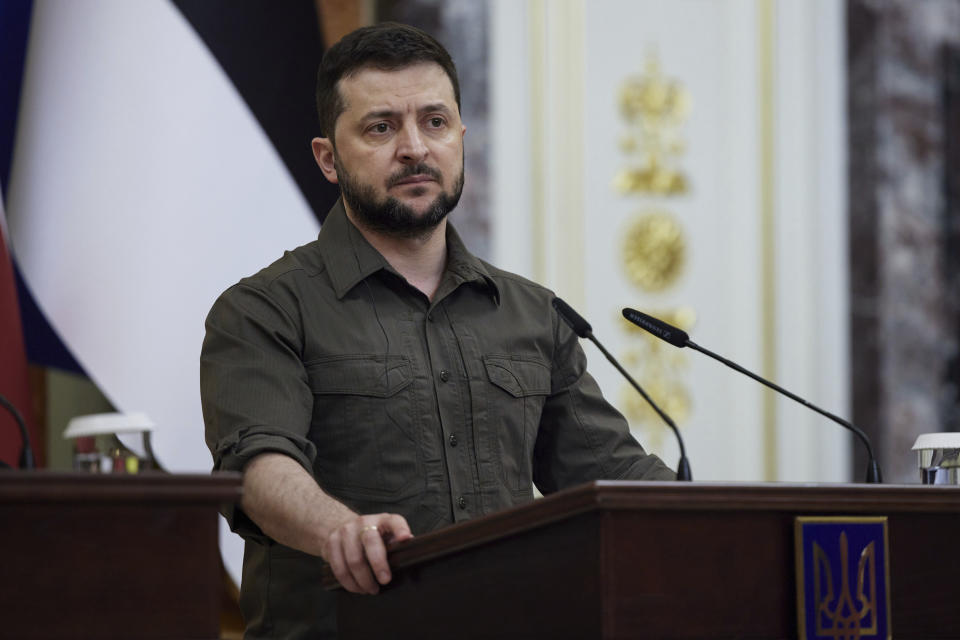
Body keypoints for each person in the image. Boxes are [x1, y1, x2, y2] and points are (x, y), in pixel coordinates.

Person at [201, 22, 675, 639]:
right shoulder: (263, 309)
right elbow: (259, 466)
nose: (414, 148)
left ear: (460, 138)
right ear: (328, 158)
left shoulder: (532, 313)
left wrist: (729, 525)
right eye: (380, 127)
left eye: (434, 122)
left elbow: (612, 477)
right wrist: (340, 529)